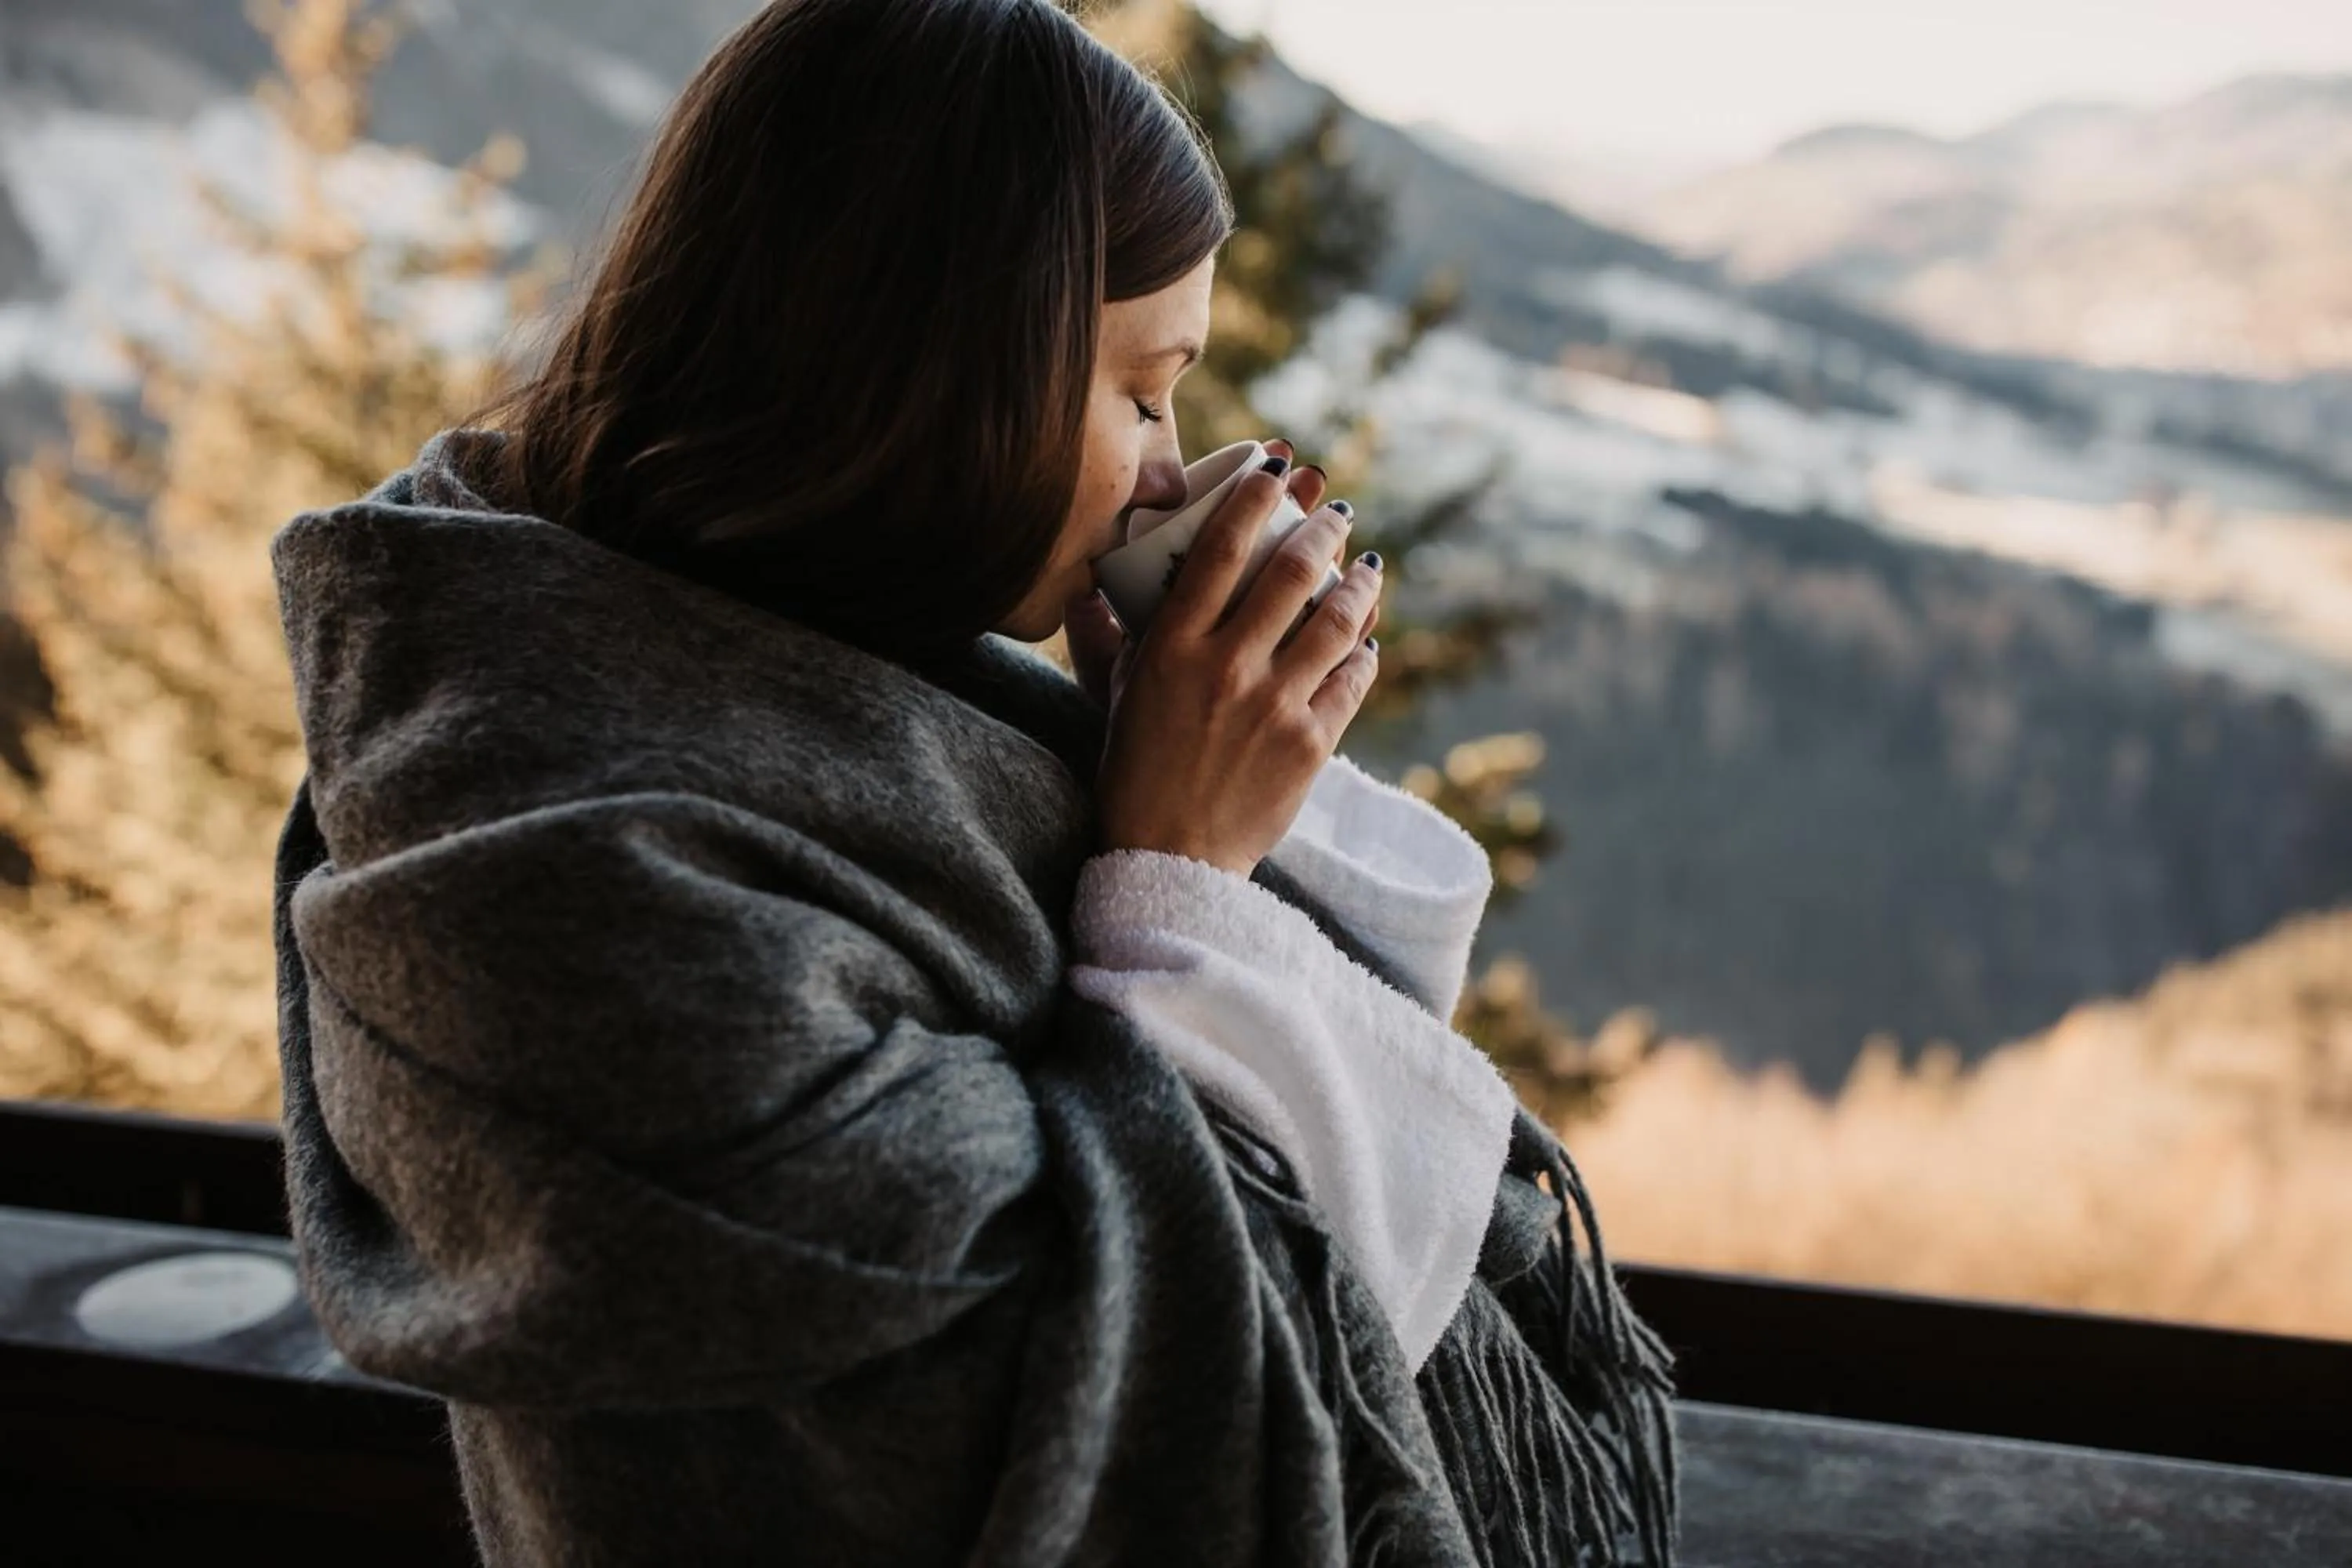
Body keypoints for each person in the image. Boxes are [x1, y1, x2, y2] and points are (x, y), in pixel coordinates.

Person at [266, 1, 1676, 1563]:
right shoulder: (574, 880)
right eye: (1141, 392)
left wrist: (1183, 802)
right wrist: (1181, 886)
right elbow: (1021, 1427)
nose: (1168, 469)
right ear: (924, 365)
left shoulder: (812, 674)